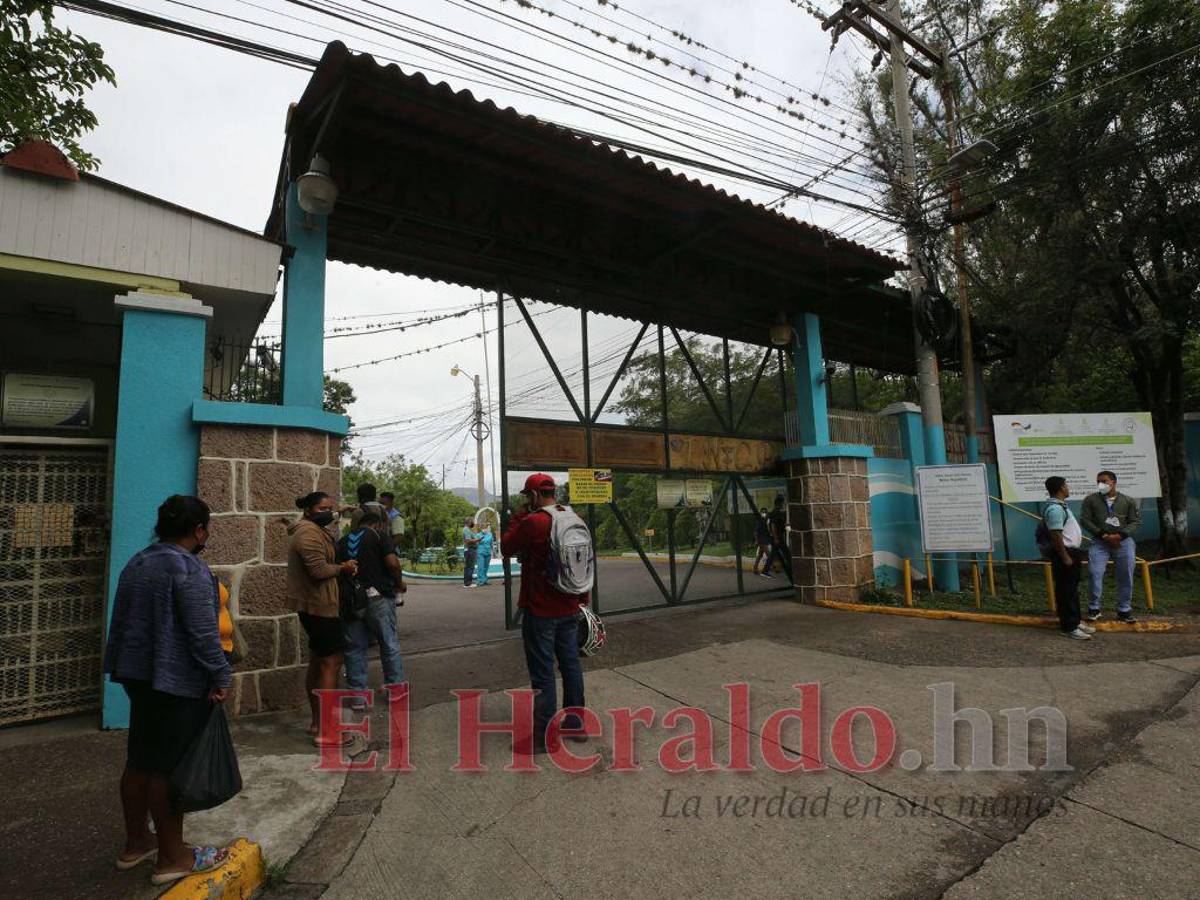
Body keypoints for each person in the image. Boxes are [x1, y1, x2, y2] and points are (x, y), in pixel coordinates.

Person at [104, 495, 233, 885]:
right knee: (168, 767)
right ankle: (173, 857)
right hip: (176, 682)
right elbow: (202, 634)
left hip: (136, 676)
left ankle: (137, 842)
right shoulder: (190, 568)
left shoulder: (138, 562)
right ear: (199, 531)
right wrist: (221, 676)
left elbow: (122, 620)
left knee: (140, 759)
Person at [501, 473, 587, 754]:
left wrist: (519, 516)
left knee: (542, 673)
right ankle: (576, 724)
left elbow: (506, 547)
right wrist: (582, 599)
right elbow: (583, 561)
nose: (528, 500)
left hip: (541, 610)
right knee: (571, 665)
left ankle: (544, 738)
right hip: (570, 605)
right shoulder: (574, 517)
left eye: (528, 496)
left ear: (535, 495)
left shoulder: (534, 522)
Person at [288, 491, 358, 746]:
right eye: (323, 509)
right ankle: (327, 731)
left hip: (315, 605)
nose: (328, 513)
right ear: (308, 510)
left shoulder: (311, 526)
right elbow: (318, 570)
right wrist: (344, 568)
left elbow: (331, 516)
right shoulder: (308, 534)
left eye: (330, 508)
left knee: (318, 661)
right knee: (332, 662)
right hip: (319, 606)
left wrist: (341, 510)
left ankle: (318, 723)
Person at [337, 510, 407, 708]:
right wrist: (399, 583)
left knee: (354, 647)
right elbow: (393, 563)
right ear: (379, 525)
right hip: (378, 597)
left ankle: (358, 697)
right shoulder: (379, 536)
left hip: (352, 601)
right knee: (389, 643)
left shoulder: (342, 541)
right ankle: (395, 691)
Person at [1080, 471, 1141, 623]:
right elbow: (1085, 520)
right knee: (1094, 572)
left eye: (1104, 481)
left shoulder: (1128, 500)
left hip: (1123, 542)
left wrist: (1121, 535)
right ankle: (1094, 608)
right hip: (1100, 541)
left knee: (1125, 574)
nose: (1100, 484)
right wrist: (1103, 535)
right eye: (1098, 481)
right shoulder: (1090, 500)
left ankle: (1124, 610)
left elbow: (1135, 521)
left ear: (1113, 482)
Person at [1043, 476, 1096, 641]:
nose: (1068, 487)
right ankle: (1069, 627)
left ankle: (1076, 621)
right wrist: (1065, 556)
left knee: (1071, 589)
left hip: (1071, 552)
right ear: (1061, 488)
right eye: (1066, 485)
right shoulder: (1055, 509)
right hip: (1065, 554)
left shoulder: (1061, 506)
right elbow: (1056, 535)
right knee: (1066, 590)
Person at [461, 516, 480, 588]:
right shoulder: (466, 529)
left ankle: (467, 583)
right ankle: (468, 583)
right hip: (470, 550)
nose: (473, 523)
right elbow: (468, 540)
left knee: (468, 566)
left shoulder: (468, 529)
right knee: (470, 566)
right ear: (469, 522)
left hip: (469, 550)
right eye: (472, 521)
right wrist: (477, 540)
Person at [752, 507, 772, 577]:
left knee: (760, 555)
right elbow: (755, 532)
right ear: (760, 513)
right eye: (763, 512)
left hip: (764, 540)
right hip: (762, 541)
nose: (764, 513)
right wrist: (757, 540)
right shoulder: (760, 521)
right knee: (769, 555)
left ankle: (755, 569)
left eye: (765, 512)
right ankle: (769, 569)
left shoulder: (765, 521)